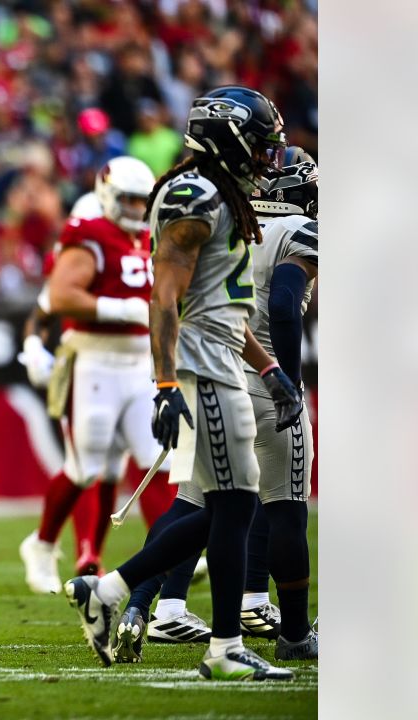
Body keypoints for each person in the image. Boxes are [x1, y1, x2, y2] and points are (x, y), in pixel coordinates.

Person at [64, 86, 301, 681]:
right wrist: (167, 383)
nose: (269, 154)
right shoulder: (193, 194)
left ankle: (112, 589)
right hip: (202, 364)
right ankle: (221, 647)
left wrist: (268, 367)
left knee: (234, 504)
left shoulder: (224, 195)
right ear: (230, 137)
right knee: (235, 503)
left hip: (225, 355)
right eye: (261, 141)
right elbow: (164, 296)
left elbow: (227, 303)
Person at [18, 156, 175, 593]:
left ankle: (165, 560)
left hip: (140, 363)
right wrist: (117, 308)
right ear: (106, 194)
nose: (135, 208)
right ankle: (44, 544)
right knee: (86, 466)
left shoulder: (148, 236)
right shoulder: (89, 232)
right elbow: (58, 295)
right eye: (127, 199)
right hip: (95, 362)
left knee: (154, 463)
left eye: (142, 201)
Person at [237, 148, 319, 660]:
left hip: (219, 379)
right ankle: (293, 635)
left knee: (206, 507)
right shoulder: (299, 230)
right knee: (287, 510)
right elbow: (285, 305)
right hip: (267, 386)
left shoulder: (230, 222)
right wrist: (286, 377)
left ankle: (137, 598)